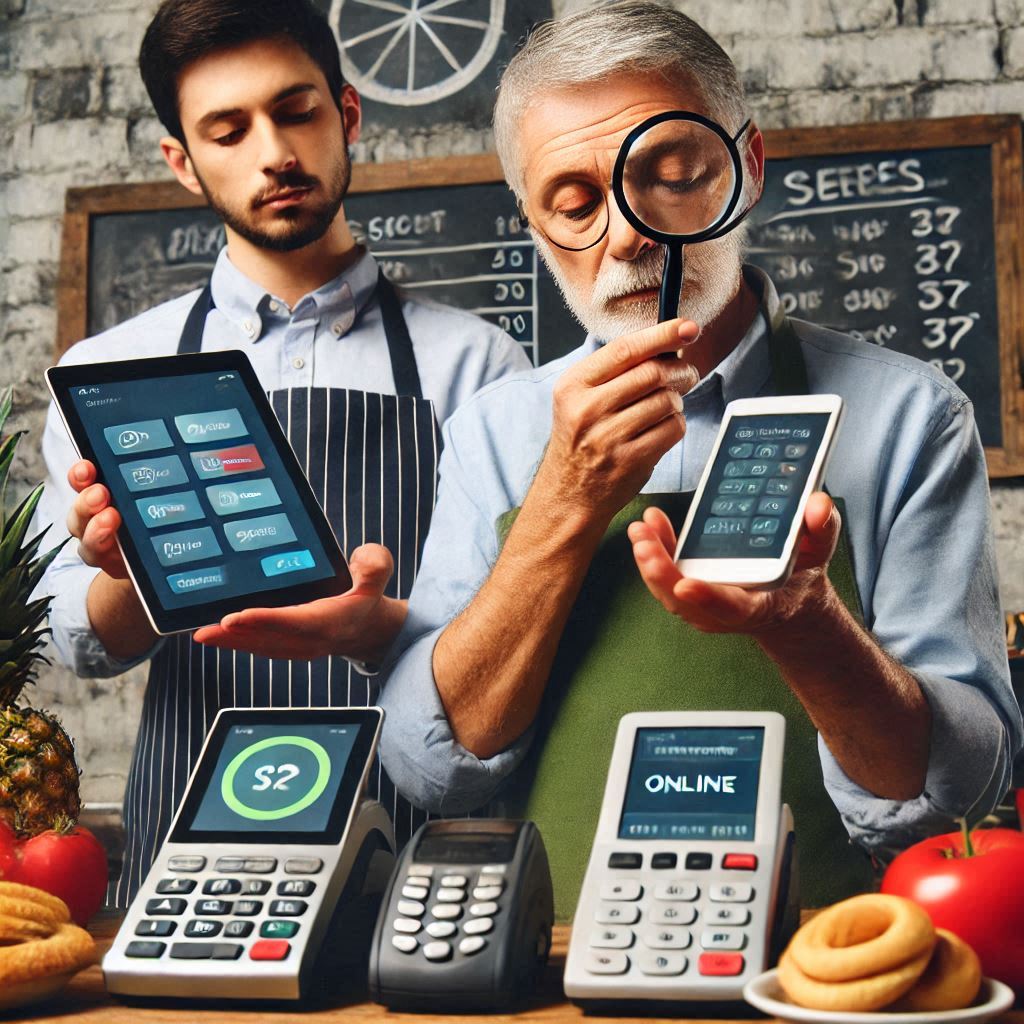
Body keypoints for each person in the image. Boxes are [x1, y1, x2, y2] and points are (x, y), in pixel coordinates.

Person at [375, 1, 1023, 913]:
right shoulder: (493, 429)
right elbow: (429, 766)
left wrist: (808, 625)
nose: (628, 233)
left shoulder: (912, 415)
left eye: (671, 176)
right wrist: (563, 501)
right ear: (535, 227)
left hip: (820, 954)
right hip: (553, 957)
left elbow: (961, 791)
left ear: (746, 168)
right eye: (575, 203)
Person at [35, 0, 529, 904]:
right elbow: (80, 642)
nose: (274, 153)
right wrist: (135, 572)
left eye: (296, 112)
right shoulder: (105, 372)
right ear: (182, 162)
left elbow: (514, 630)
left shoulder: (481, 365)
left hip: (417, 838)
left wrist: (383, 627)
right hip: (193, 844)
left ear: (347, 114)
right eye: (228, 132)